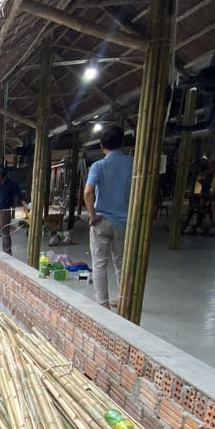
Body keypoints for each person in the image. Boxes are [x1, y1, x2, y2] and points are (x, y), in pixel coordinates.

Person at [84, 126, 133, 309]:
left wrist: (92, 215)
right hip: (125, 222)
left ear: (102, 145)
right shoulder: (133, 163)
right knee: (122, 263)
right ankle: (123, 299)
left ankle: (103, 303)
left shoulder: (99, 166)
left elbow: (88, 192)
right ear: (122, 143)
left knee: (99, 264)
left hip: (102, 221)